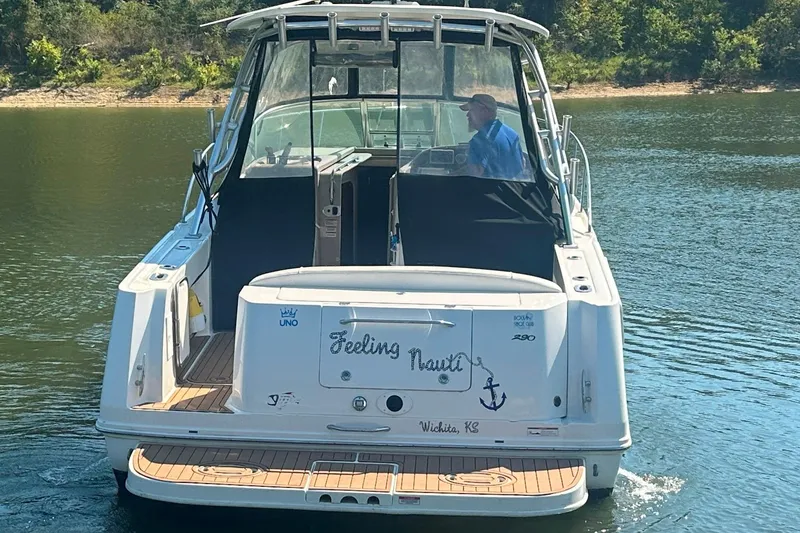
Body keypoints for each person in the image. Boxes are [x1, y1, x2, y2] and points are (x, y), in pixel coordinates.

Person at [459, 94, 525, 179]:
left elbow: (474, 175)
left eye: (471, 110)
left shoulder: (480, 140)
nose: (467, 115)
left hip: (491, 191)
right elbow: (523, 163)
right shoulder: (511, 133)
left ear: (484, 111)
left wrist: (451, 175)